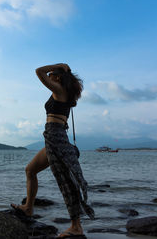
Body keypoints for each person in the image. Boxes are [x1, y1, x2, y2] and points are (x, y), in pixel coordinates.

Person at [11, 63, 95, 238]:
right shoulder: (62, 92)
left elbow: (38, 71)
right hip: (53, 137)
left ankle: (76, 226)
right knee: (30, 170)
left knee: (66, 182)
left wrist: (60, 65)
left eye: (51, 74)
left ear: (57, 77)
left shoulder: (59, 90)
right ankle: (28, 208)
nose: (48, 76)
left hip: (56, 138)